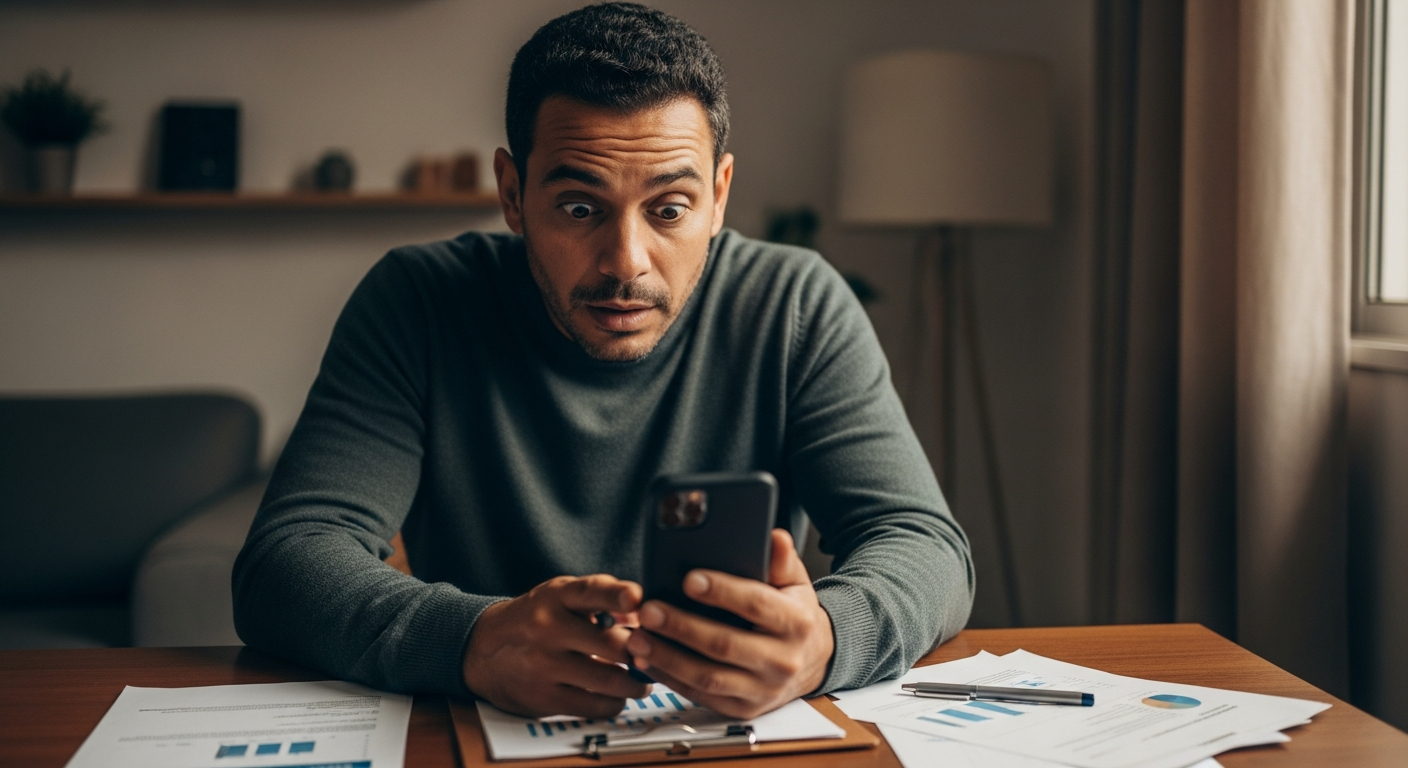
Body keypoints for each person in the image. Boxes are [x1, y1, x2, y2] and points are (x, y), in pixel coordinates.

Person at [232, 2, 973, 721]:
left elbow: (923, 545)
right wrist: (472, 641)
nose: (626, 262)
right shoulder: (419, 302)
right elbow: (286, 561)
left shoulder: (794, 304)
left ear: (718, 196)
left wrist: (827, 640)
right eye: (580, 208)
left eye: (669, 209)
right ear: (513, 194)